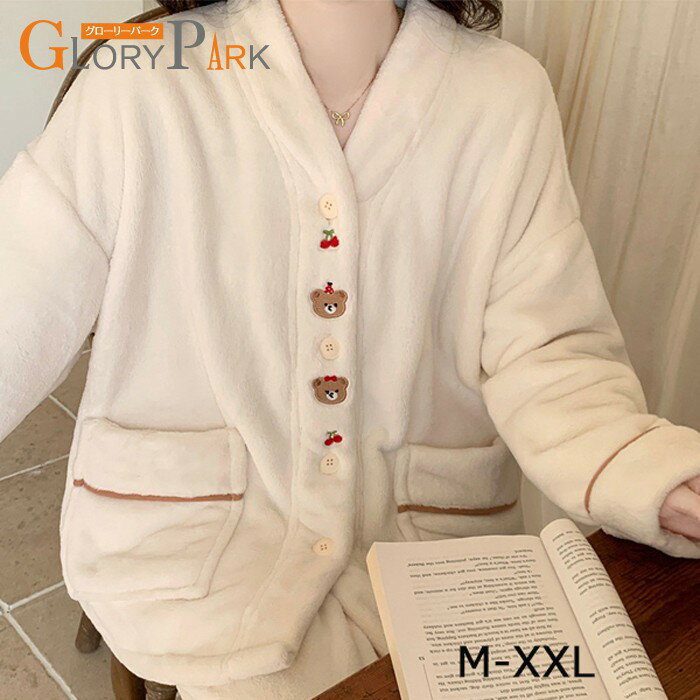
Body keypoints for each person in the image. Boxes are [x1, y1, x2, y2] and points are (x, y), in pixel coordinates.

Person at [1, 0, 698, 697]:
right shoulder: (142, 81)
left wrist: (644, 469)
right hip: (201, 555)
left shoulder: (503, 96)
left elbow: (545, 345)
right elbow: (19, 293)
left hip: (432, 561)